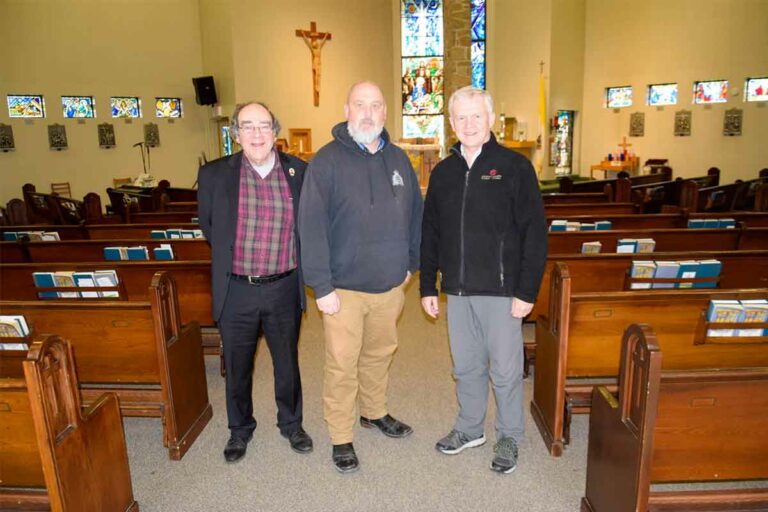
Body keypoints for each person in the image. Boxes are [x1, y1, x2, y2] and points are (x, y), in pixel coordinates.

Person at [420, 86, 547, 474]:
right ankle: (470, 427)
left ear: (490, 119)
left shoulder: (514, 167)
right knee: (466, 366)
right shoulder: (443, 172)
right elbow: (431, 232)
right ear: (451, 122)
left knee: (506, 370)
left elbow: (535, 233)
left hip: (501, 291)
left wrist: (526, 291)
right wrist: (428, 285)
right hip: (457, 290)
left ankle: (509, 434)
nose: (469, 124)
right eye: (461, 117)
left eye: (477, 116)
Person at [299, 81, 423, 473]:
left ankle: (373, 412)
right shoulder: (326, 161)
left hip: (389, 286)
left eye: (375, 105)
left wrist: (411, 264)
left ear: (385, 112)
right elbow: (311, 226)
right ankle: (340, 435)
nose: (368, 113)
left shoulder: (400, 160)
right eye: (359, 105)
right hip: (343, 290)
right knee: (342, 363)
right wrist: (321, 286)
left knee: (379, 355)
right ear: (347, 109)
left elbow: (416, 216)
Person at [197, 102, 313, 463]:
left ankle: (292, 424)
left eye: (263, 126)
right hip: (238, 289)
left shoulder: (300, 172)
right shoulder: (215, 175)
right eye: (247, 126)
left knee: (287, 362)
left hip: (283, 286)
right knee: (238, 364)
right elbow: (210, 227)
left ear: (275, 131)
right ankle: (240, 429)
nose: (257, 134)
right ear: (236, 134)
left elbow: (309, 226)